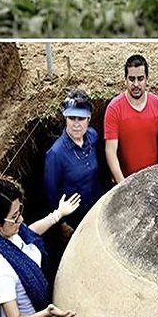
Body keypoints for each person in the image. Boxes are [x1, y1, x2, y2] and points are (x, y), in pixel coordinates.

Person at [0, 177, 80, 317]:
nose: (21, 219)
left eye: (20, 211)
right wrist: (47, 313)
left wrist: (58, 214)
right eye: (15, 217)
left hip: (40, 309)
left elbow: (28, 234)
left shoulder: (7, 232)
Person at [43, 89, 102, 238]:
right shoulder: (55, 154)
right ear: (65, 118)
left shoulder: (93, 137)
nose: (76, 124)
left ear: (88, 119)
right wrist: (62, 223)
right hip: (74, 218)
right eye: (72, 118)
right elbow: (51, 193)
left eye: (81, 119)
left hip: (95, 208)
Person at [104, 53, 158, 184]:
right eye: (131, 79)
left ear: (147, 79)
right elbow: (110, 150)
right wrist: (122, 184)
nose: (136, 84)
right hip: (126, 179)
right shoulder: (114, 108)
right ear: (125, 79)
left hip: (152, 178)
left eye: (140, 78)